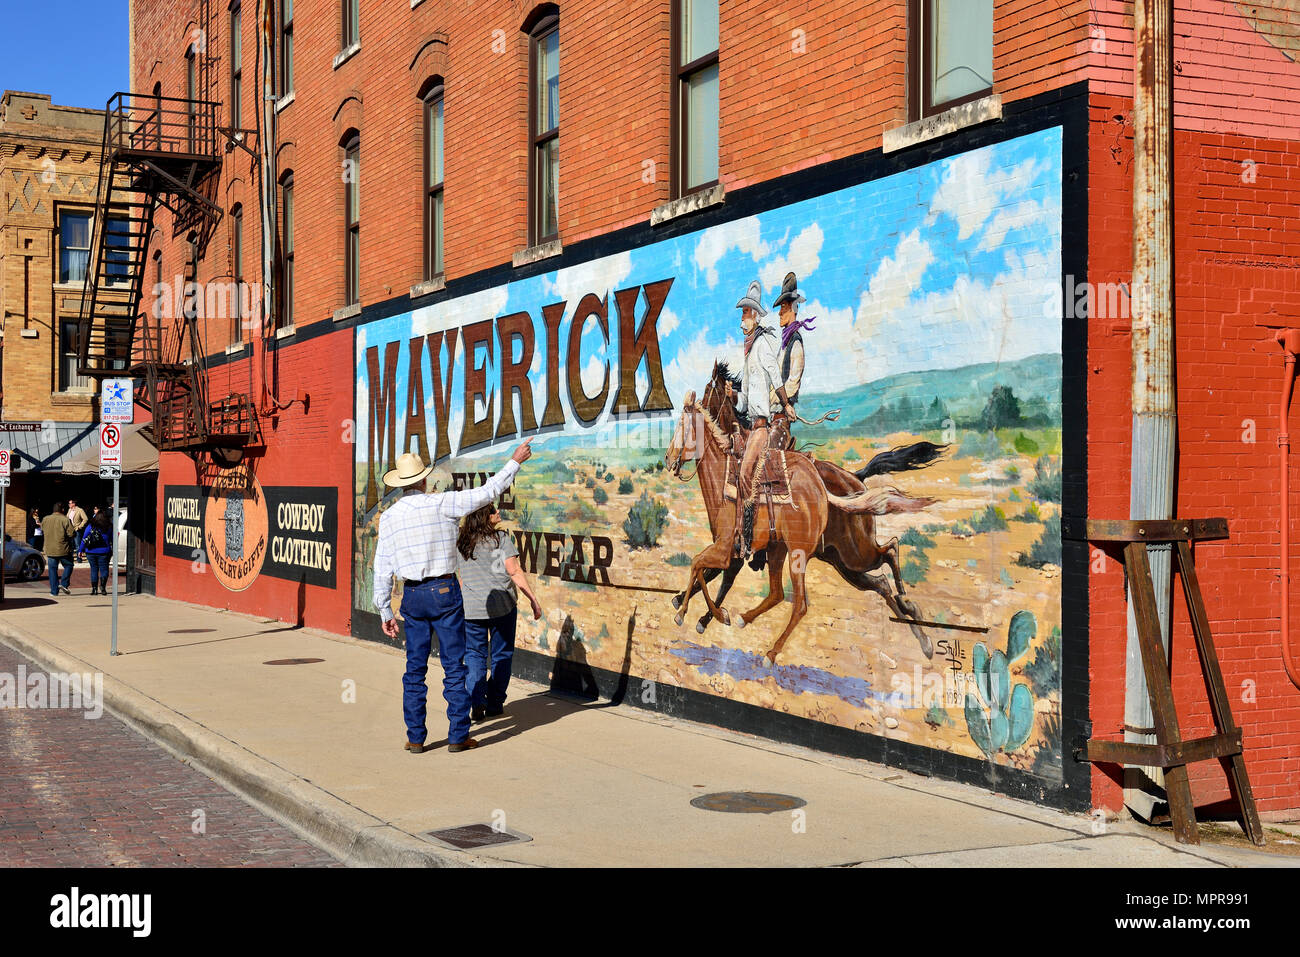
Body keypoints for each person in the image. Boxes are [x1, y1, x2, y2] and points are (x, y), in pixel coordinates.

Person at [372, 440, 533, 754]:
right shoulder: (441, 503)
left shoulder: (390, 518)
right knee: (453, 666)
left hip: (413, 595)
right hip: (445, 592)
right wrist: (515, 461)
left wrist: (384, 611)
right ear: (423, 480)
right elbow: (487, 493)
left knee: (414, 669)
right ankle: (458, 735)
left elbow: (382, 567)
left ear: (401, 485)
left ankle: (416, 737)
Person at [724, 280, 796, 557]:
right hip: (751, 425)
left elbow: (775, 376)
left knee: (744, 473)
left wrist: (786, 403)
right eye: (741, 314)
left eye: (745, 314)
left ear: (754, 316)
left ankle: (748, 535)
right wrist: (733, 397)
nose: (742, 319)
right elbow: (746, 402)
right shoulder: (748, 350)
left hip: (762, 428)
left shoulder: (763, 344)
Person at [456, 503, 543, 723]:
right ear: (485, 516)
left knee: (474, 655)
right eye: (494, 511)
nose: (498, 513)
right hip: (502, 606)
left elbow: (462, 578)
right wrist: (533, 600)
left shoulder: (463, 543)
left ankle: (477, 701)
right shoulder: (501, 539)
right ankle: (494, 703)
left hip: (472, 608)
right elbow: (514, 571)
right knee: (501, 654)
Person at [41, 503, 77, 596]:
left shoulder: (45, 519)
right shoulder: (65, 519)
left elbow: (42, 530)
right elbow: (71, 534)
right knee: (69, 565)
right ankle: (64, 584)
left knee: (52, 570)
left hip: (49, 548)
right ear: (62, 510)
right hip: (63, 548)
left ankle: (54, 591)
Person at [78, 508, 114, 595]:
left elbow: (84, 538)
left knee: (94, 569)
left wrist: (80, 550)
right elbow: (112, 539)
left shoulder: (91, 526)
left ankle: (94, 589)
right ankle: (103, 588)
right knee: (104, 569)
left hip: (91, 551)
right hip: (104, 551)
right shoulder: (108, 526)